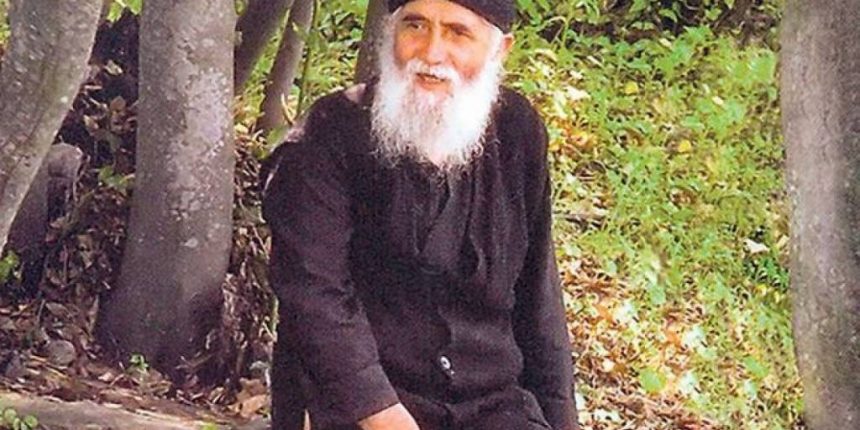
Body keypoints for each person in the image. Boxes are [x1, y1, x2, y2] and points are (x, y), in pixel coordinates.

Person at [261, 0, 579, 428]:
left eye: (457, 33)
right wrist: (381, 414)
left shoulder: (518, 131)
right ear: (391, 33)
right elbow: (313, 294)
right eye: (415, 26)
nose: (431, 53)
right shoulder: (332, 131)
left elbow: (538, 304)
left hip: (491, 406)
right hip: (357, 404)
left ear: (499, 49)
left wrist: (563, 421)